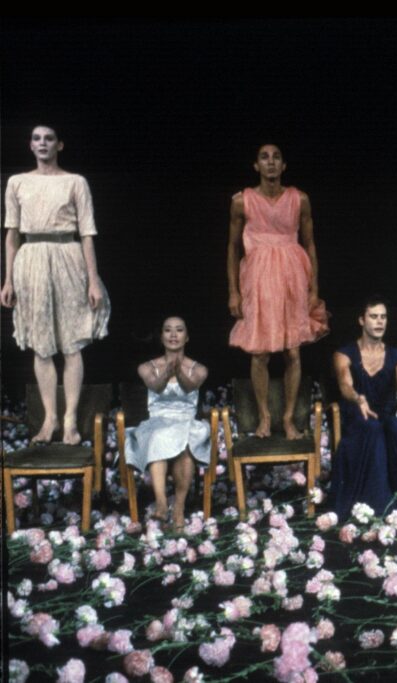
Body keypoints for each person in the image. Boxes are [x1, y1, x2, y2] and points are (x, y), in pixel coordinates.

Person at [1, 125, 110, 444]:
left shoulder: (75, 182)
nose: (42, 143)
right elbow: (12, 234)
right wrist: (7, 279)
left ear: (59, 144)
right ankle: (49, 420)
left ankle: (70, 421)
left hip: (68, 257)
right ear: (30, 145)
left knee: (72, 342)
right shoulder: (17, 182)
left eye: (48, 138)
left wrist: (93, 280)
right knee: (42, 344)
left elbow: (87, 233)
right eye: (36, 138)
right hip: (32, 260)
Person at [227, 144, 328, 439]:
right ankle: (264, 417)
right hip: (257, 277)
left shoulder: (300, 199)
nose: (270, 162)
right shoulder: (241, 201)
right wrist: (233, 291)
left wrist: (314, 288)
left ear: (284, 165)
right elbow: (232, 248)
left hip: (292, 276)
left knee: (293, 351)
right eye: (264, 157)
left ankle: (287, 418)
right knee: (259, 352)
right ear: (256, 165)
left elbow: (310, 244)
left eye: (276, 157)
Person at [332, 298, 397, 519]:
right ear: (362, 320)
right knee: (372, 428)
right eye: (373, 316)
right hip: (357, 418)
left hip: (385, 416)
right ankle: (376, 503)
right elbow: (345, 384)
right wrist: (358, 398)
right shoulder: (344, 354)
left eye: (383, 317)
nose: (379, 322)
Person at [125, 317, 209, 530]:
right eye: (168, 330)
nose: (173, 335)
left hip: (185, 421)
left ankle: (179, 507)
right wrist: (166, 372)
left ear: (186, 337)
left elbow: (190, 387)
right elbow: (155, 386)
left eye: (179, 330)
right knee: (158, 436)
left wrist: (179, 372)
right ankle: (162, 504)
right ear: (161, 337)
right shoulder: (147, 367)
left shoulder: (198, 368)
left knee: (186, 442)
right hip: (158, 421)